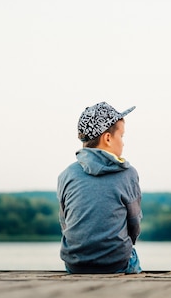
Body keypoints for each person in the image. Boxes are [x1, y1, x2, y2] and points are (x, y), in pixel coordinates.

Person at [57, 102, 142, 274]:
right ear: (108, 138)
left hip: (75, 264)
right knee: (132, 257)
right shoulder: (128, 174)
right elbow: (134, 224)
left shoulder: (66, 175)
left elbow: (65, 223)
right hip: (116, 263)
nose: (123, 143)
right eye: (122, 136)